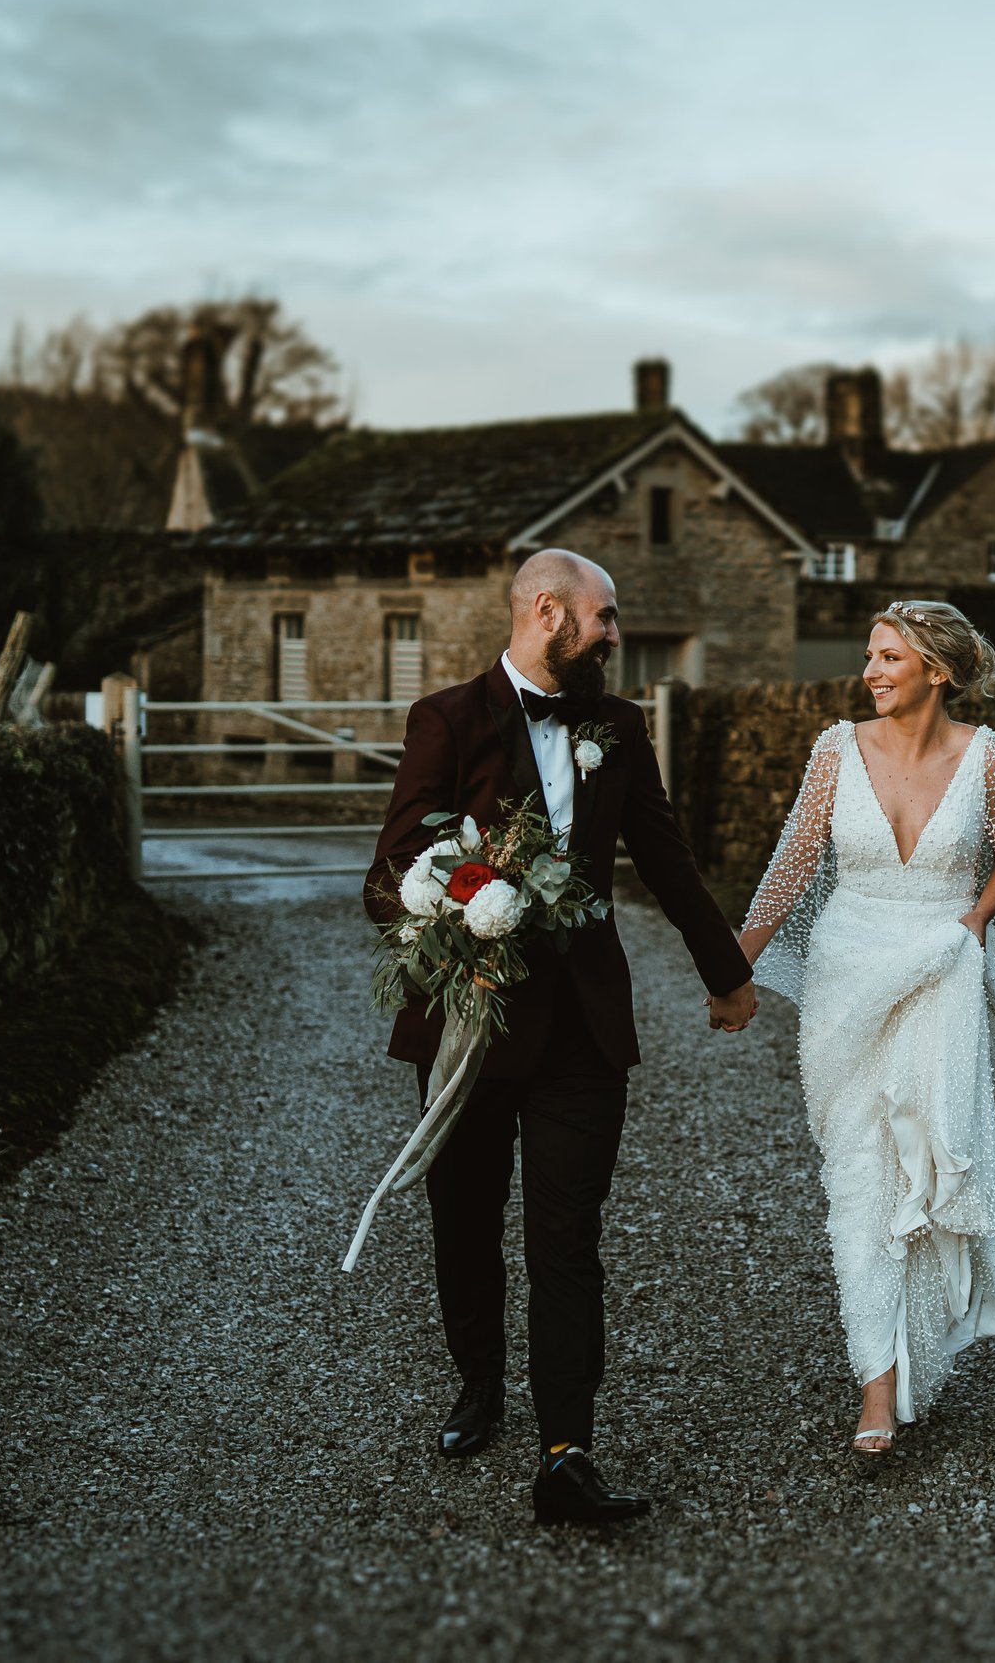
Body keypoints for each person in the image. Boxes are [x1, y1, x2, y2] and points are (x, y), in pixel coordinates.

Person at [362, 548, 759, 1524]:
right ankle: (479, 1384)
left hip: (582, 1029)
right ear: (548, 611)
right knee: (463, 1222)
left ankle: (565, 1449)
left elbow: (663, 856)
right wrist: (462, 901)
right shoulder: (446, 719)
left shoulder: (617, 728)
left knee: (566, 1240)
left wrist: (727, 970)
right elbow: (394, 864)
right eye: (607, 616)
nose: (617, 635)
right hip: (470, 1022)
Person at [738, 600, 995, 1454]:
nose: (872, 671)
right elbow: (791, 865)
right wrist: (733, 960)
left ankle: (901, 1367)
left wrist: (970, 925)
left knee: (925, 1160)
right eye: (869, 657)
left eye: (889, 657)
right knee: (858, 1172)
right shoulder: (834, 749)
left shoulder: (990, 756)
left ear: (938, 669)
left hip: (943, 972)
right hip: (846, 977)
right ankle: (876, 1381)